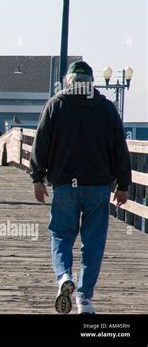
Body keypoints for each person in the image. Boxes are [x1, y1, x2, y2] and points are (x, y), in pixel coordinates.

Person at [30, 60, 131, 315]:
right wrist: (123, 183)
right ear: (91, 83)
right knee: (93, 244)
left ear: (68, 82)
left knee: (62, 235)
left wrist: (37, 178)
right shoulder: (107, 109)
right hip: (98, 187)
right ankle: (84, 300)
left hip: (64, 185)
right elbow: (120, 147)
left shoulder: (56, 105)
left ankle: (64, 276)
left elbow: (40, 143)